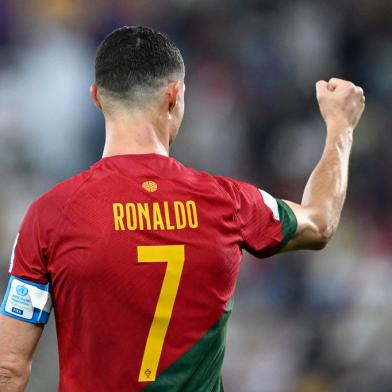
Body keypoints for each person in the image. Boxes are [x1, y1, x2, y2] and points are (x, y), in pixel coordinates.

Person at [0, 26, 365, 392]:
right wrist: (340, 128)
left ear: (96, 97)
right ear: (174, 96)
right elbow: (319, 221)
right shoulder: (227, 202)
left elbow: (9, 368)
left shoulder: (51, 215)